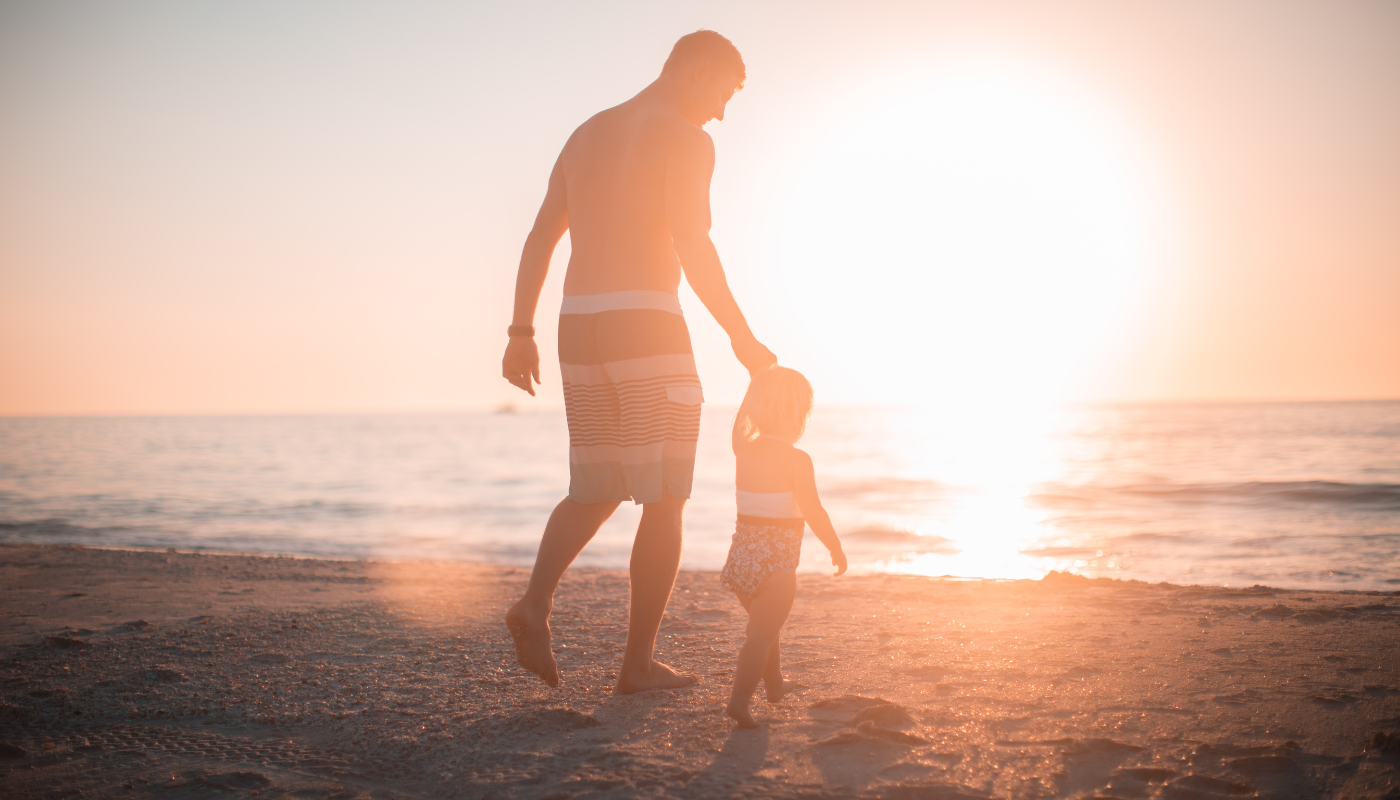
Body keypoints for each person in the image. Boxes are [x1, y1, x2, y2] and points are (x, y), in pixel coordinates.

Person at [500, 30, 777, 693]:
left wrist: (519, 330)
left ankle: (534, 604)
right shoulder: (686, 138)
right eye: (724, 93)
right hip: (646, 322)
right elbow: (692, 242)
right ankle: (637, 665)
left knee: (596, 487)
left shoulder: (587, 133)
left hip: (578, 324)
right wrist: (741, 336)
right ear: (698, 72)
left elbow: (543, 233)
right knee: (665, 496)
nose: (721, 113)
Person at [720, 366, 847, 727]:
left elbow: (740, 420)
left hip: (741, 560)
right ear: (798, 415)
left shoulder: (743, 449)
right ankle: (739, 701)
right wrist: (835, 547)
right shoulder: (797, 460)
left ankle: (774, 684)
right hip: (776, 564)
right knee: (760, 635)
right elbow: (813, 510)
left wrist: (755, 382)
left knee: (766, 626)